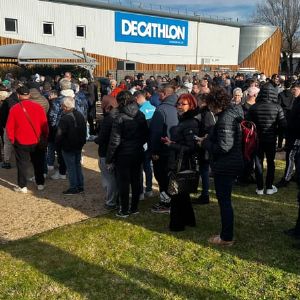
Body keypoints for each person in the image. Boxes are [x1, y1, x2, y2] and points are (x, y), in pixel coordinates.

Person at [202, 87, 244, 246]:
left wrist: (205, 143)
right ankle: (227, 233)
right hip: (230, 162)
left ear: (215, 103)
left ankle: (226, 237)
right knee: (225, 200)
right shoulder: (231, 113)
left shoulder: (226, 118)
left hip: (226, 164)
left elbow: (224, 146)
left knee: (224, 201)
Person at [106, 91, 148, 217]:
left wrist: (109, 158)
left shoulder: (120, 117)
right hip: (137, 151)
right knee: (136, 180)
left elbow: (114, 141)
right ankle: (134, 208)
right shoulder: (140, 114)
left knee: (124, 182)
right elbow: (146, 134)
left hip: (124, 154)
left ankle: (124, 209)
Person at [162, 94, 199, 231]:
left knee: (176, 194)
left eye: (183, 104)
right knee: (182, 195)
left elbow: (191, 147)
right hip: (178, 160)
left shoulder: (190, 123)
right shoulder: (183, 120)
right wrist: (172, 143)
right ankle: (189, 220)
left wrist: (172, 145)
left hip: (182, 163)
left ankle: (177, 225)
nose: (179, 106)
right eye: (178, 104)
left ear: (191, 106)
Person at [6, 86, 49, 193]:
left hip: (20, 141)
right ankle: (40, 183)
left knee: (22, 164)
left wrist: (12, 140)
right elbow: (45, 125)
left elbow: (9, 127)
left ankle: (22, 186)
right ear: (29, 95)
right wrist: (45, 136)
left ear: (18, 95)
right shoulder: (38, 107)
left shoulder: (14, 109)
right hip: (37, 140)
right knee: (38, 163)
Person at [247, 82, 287, 195]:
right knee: (270, 162)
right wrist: (277, 133)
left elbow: (247, 124)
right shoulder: (277, 107)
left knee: (258, 163)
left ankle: (259, 188)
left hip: (257, 139)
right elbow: (283, 125)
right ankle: (269, 187)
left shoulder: (254, 107)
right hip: (271, 139)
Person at [150, 85, 178, 213]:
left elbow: (155, 133)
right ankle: (172, 201)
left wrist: (154, 151)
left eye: (159, 93)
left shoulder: (160, 110)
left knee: (162, 178)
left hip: (162, 150)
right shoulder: (179, 107)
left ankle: (165, 204)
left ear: (164, 94)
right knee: (171, 177)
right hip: (175, 148)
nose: (157, 96)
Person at [55, 96, 86, 195]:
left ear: (64, 106)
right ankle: (80, 186)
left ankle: (73, 187)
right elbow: (84, 130)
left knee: (71, 167)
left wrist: (58, 145)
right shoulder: (80, 115)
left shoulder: (65, 118)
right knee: (77, 165)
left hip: (68, 146)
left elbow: (59, 135)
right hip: (78, 145)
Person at [94, 95, 119, 210]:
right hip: (117, 151)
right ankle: (116, 199)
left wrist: (96, 139)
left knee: (109, 178)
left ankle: (111, 202)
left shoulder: (108, 119)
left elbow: (102, 138)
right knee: (114, 177)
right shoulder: (119, 115)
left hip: (106, 152)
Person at [133, 90, 156, 199]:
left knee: (139, 167)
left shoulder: (140, 111)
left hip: (142, 142)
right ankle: (149, 189)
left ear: (137, 98)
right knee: (148, 167)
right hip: (152, 142)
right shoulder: (154, 108)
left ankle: (140, 192)